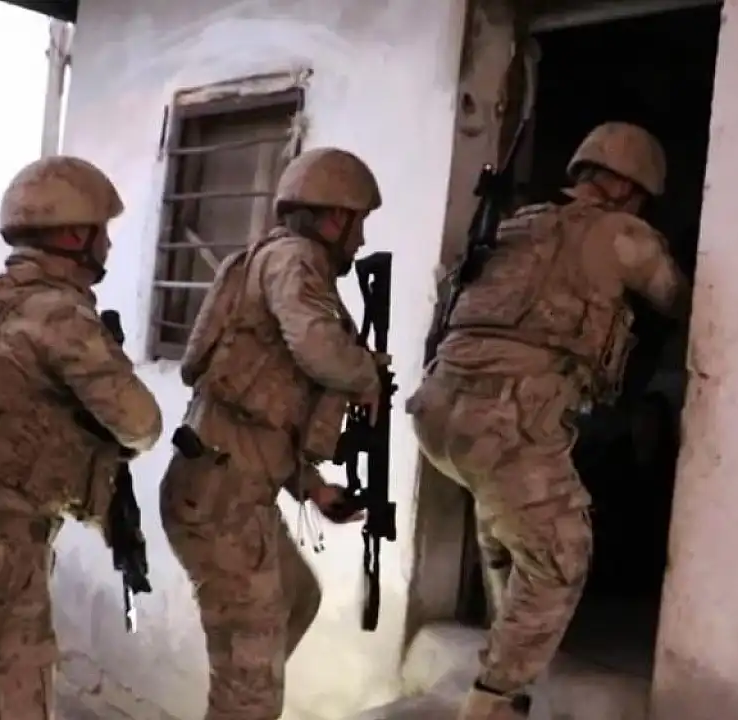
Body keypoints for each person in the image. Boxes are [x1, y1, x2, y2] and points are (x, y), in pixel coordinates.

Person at [407, 121, 693, 719]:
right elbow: (680, 301)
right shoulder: (624, 235)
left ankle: (503, 644)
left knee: (505, 526)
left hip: (439, 413)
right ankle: (495, 702)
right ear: (628, 188)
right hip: (509, 420)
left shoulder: (516, 225)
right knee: (561, 556)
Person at [0, 155, 163, 719]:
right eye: (101, 231)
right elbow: (142, 425)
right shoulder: (57, 316)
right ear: (72, 235)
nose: (108, 245)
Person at [160, 147, 388, 719]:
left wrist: (311, 487)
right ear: (333, 219)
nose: (360, 240)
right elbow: (319, 349)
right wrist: (367, 374)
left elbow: (262, 415)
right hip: (222, 498)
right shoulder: (295, 260)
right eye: (357, 223)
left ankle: (245, 696)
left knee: (297, 599)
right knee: (252, 681)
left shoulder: (275, 261)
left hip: (229, 484)